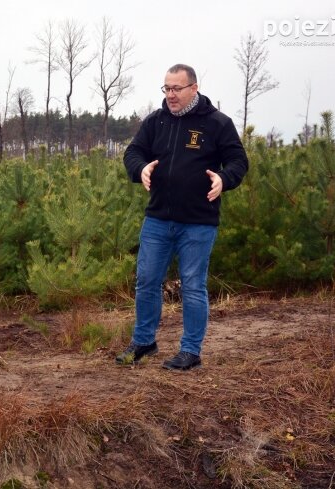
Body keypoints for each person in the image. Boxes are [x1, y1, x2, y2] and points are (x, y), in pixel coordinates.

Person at [116, 64, 249, 371]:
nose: (170, 95)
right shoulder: (156, 121)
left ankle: (190, 351)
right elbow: (132, 153)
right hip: (158, 219)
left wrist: (224, 179)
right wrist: (141, 169)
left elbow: (238, 161)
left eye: (176, 89)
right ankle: (144, 343)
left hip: (198, 221)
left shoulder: (217, 123)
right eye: (166, 88)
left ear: (194, 88)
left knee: (192, 284)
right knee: (147, 281)